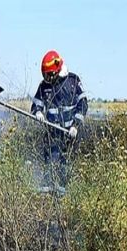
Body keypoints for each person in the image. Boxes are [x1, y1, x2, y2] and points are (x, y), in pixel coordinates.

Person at [30, 50, 87, 192]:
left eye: (49, 75)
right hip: (52, 132)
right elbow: (36, 103)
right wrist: (37, 111)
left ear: (57, 70)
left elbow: (83, 104)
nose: (47, 78)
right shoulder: (44, 86)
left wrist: (75, 125)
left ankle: (63, 192)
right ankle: (46, 190)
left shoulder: (73, 81)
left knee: (65, 163)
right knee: (49, 160)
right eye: (45, 75)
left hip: (70, 133)